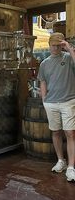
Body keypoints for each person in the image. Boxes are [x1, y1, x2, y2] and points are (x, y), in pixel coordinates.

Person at [37, 32, 75, 182]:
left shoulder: (68, 58)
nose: (55, 48)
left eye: (58, 46)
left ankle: (71, 168)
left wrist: (69, 48)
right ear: (49, 45)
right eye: (53, 45)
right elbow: (43, 81)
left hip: (68, 101)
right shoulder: (44, 63)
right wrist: (44, 100)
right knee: (55, 132)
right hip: (51, 103)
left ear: (62, 45)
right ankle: (61, 161)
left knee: (70, 133)